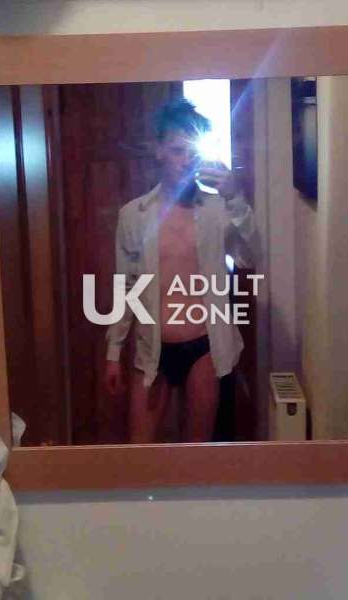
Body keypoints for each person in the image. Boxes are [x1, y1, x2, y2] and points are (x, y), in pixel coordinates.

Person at [104, 98, 255, 443]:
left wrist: (236, 198)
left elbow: (249, 258)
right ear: (158, 150)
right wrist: (113, 353)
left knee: (195, 457)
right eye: (176, 150)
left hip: (204, 345)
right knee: (140, 453)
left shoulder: (217, 209)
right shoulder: (134, 215)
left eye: (192, 152)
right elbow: (125, 287)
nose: (186, 160)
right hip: (152, 348)